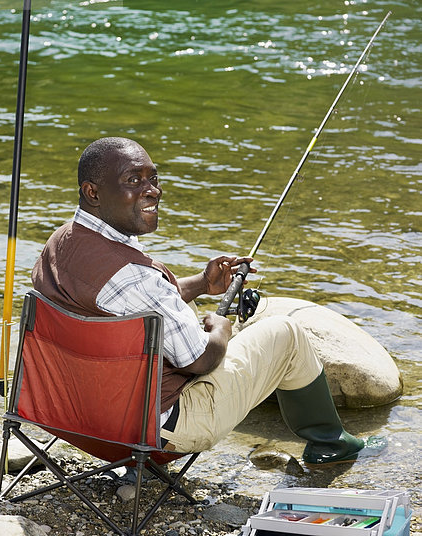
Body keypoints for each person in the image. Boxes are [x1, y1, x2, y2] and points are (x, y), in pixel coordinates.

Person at [32, 137, 385, 465]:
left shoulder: (60, 245)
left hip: (72, 416)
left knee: (189, 321)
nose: (152, 191)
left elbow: (130, 301)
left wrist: (202, 284)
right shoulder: (134, 277)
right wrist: (222, 330)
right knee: (286, 333)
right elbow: (200, 359)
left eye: (153, 179)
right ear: (92, 192)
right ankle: (331, 444)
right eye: (133, 181)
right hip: (152, 433)